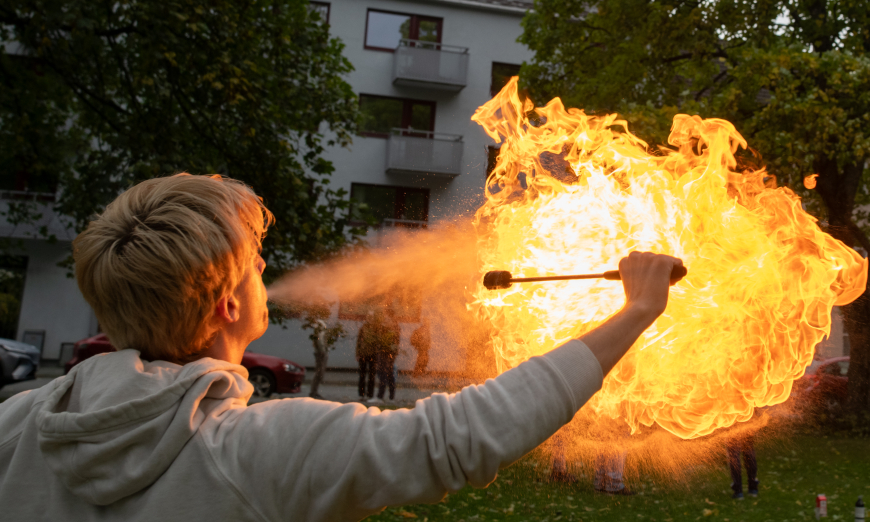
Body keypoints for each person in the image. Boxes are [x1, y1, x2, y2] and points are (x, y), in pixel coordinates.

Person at [0, 173, 681, 521]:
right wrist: (636, 312)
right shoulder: (252, 451)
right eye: (254, 262)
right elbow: (456, 439)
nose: (265, 267)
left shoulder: (20, 422)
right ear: (227, 306)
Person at [374, 308, 400, 404]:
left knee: (384, 374)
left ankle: (380, 397)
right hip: (387, 354)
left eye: (386, 317)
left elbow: (393, 343)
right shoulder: (391, 327)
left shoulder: (393, 328)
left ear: (391, 317)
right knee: (389, 375)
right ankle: (391, 397)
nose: (385, 318)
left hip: (387, 354)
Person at [726, 431, 759, 500]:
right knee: (749, 450)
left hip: (733, 427)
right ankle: (753, 488)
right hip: (748, 426)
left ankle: (738, 491)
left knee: (734, 454)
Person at [356, 311, 379, 401]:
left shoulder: (376, 328)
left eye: (371, 317)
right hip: (363, 354)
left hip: (373, 354)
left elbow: (378, 341)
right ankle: (361, 394)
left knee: (371, 376)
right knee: (362, 375)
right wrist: (357, 354)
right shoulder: (363, 328)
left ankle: (370, 394)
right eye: (368, 317)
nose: (370, 319)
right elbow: (358, 341)